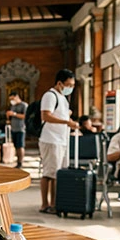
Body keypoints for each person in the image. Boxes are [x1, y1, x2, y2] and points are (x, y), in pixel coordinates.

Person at [38, 69, 79, 214]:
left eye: (73, 85)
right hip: (50, 139)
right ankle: (46, 204)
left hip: (60, 140)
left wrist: (69, 121)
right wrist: (66, 122)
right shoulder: (50, 96)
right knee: (49, 173)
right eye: (69, 84)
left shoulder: (62, 97)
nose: (71, 88)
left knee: (58, 173)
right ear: (59, 83)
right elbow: (46, 116)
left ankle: (56, 203)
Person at [5, 91, 28, 168]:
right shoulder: (13, 106)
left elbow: (25, 116)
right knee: (15, 146)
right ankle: (17, 161)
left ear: (17, 97)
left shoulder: (24, 105)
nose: (11, 101)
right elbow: (11, 116)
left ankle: (20, 162)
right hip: (13, 128)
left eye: (12, 99)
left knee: (20, 146)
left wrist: (14, 114)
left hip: (21, 128)